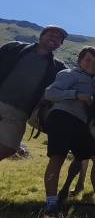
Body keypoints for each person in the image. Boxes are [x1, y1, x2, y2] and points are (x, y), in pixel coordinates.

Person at [42, 46, 95, 214]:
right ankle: (51, 203)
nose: (92, 65)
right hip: (62, 117)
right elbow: (50, 93)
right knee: (58, 158)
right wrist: (76, 94)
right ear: (80, 61)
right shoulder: (69, 74)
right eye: (88, 60)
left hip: (79, 124)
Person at [0, 25, 66, 161]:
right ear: (41, 36)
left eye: (59, 38)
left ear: (60, 44)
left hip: (20, 113)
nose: (54, 38)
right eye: (51, 35)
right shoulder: (14, 47)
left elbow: (72, 79)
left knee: (10, 147)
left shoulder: (58, 67)